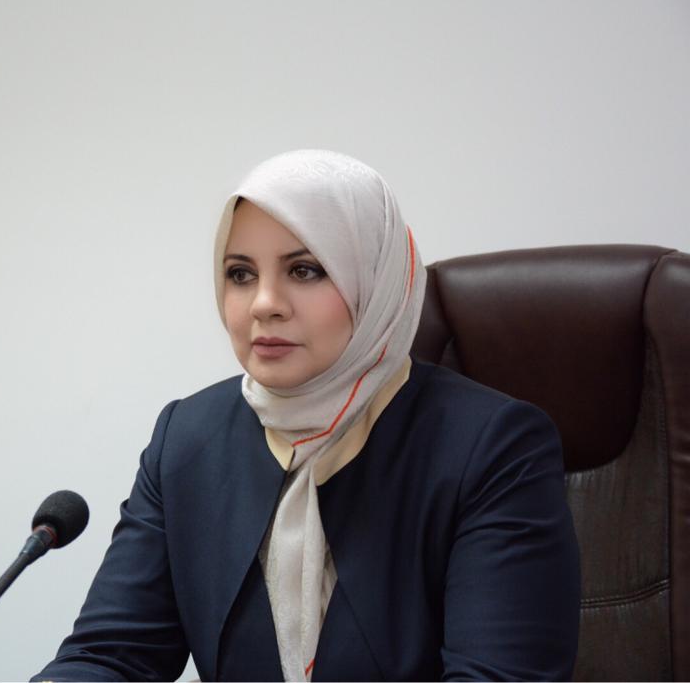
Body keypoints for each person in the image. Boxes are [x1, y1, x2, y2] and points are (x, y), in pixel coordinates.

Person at [33, 150, 580, 681]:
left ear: (374, 282)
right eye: (240, 274)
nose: (264, 303)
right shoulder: (187, 439)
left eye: (305, 269)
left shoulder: (494, 447)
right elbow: (111, 654)